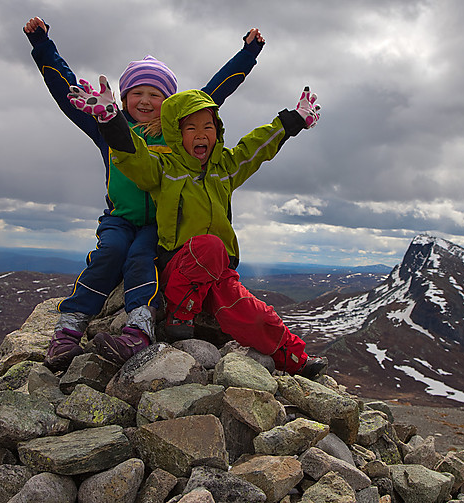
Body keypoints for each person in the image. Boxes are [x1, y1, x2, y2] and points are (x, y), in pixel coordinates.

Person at [24, 17, 265, 371]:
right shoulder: (106, 123)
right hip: (120, 218)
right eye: (137, 93)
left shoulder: (176, 132)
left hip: (162, 223)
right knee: (109, 253)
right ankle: (67, 330)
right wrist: (42, 45)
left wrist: (248, 53)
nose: (146, 100)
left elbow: (217, 90)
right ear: (123, 98)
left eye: (156, 94)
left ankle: (139, 328)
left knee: (140, 256)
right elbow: (66, 90)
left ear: (169, 102)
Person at [68, 77, 328, 379]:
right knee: (210, 245)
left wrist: (294, 120)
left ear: (217, 132)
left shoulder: (225, 168)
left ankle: (296, 360)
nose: (201, 135)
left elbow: (257, 147)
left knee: (253, 312)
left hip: (218, 270)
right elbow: (133, 157)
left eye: (208, 127)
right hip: (179, 264)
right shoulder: (164, 168)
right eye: (191, 128)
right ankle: (178, 317)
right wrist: (111, 120)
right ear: (176, 135)